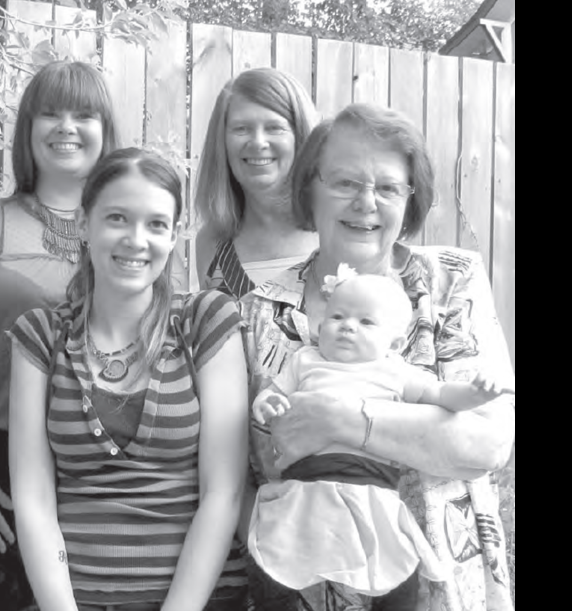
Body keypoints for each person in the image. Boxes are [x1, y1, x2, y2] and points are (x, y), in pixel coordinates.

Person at [240, 103, 515, 611]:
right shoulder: (260, 312)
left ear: (409, 200)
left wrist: (345, 419)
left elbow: (487, 440)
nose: (366, 202)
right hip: (295, 580)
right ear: (310, 190)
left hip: (443, 588)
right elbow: (242, 471)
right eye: (344, 182)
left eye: (388, 187)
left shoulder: (452, 281)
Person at [8, 148, 249, 610]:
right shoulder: (41, 336)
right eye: (117, 218)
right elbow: (34, 498)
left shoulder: (205, 322)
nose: (136, 240)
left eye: (156, 224)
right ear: (84, 225)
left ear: (175, 235)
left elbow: (224, 492)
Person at [0, 60, 118, 611]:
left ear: (105, 129)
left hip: (97, 471)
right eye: (50, 113)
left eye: (83, 114)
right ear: (28, 128)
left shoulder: (131, 228)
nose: (66, 127)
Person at [248, 269, 514, 610]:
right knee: (283, 567)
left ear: (395, 344)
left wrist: (474, 395)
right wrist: (265, 403)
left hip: (371, 494)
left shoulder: (394, 370)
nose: (348, 326)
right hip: (306, 492)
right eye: (337, 316)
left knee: (394, 572)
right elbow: (272, 393)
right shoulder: (305, 360)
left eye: (366, 322)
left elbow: (442, 394)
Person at [194, 68, 320, 298]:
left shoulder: (333, 229)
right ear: (221, 142)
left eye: (274, 128)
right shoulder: (212, 243)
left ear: (301, 136)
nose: (258, 142)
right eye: (241, 129)